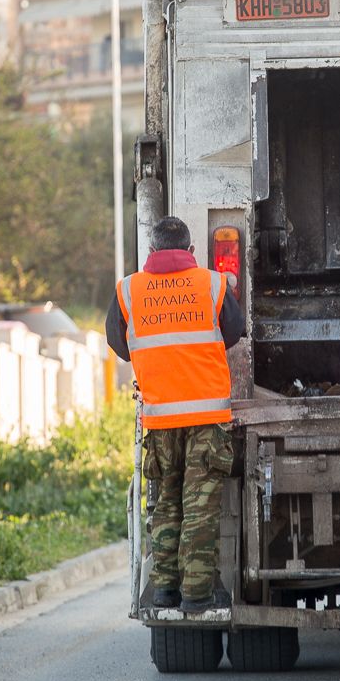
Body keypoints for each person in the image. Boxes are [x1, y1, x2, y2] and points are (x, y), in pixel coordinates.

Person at [106, 216, 244, 613]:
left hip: (161, 417)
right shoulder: (212, 284)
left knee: (166, 503)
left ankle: (164, 589)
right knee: (199, 506)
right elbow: (232, 332)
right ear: (191, 252)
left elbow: (119, 341)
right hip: (206, 416)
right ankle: (198, 593)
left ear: (151, 252)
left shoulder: (128, 290)